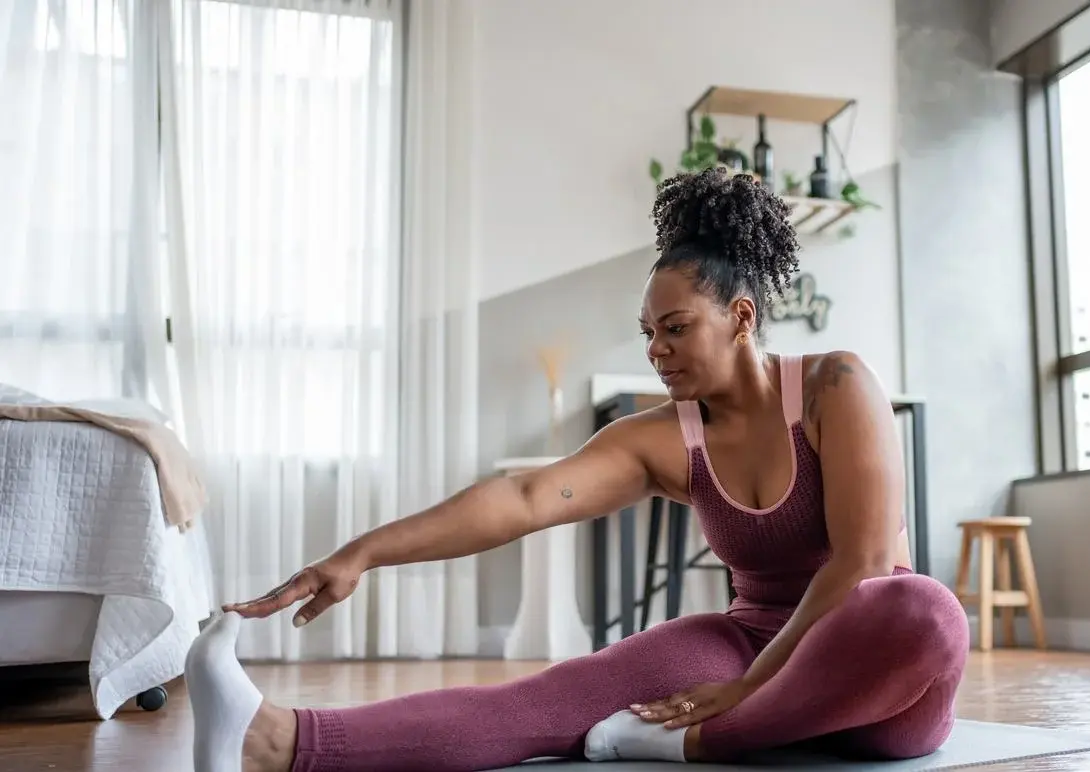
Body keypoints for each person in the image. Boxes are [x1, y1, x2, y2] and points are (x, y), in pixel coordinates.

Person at [184, 167, 969, 772]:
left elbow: (864, 565)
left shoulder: (837, 386)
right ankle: (271, 741)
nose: (655, 350)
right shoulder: (664, 437)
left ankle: (697, 743)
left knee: (927, 612)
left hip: (878, 675)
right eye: (647, 333)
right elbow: (524, 497)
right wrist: (360, 552)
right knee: (547, 699)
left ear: (740, 318)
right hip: (747, 635)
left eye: (674, 328)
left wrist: (747, 687)